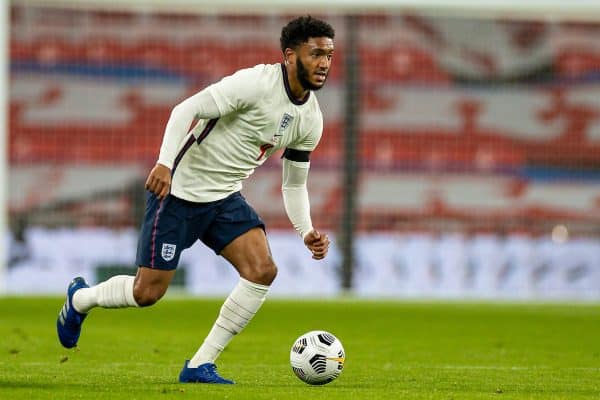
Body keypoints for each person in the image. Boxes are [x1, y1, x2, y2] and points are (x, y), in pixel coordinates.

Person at [56, 15, 335, 384]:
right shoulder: (254, 84)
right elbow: (185, 110)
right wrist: (164, 163)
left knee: (262, 270)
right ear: (289, 55)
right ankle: (80, 300)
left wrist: (307, 230)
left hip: (224, 199)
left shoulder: (311, 119)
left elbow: (294, 184)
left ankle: (200, 364)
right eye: (316, 53)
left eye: (329, 55)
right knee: (147, 292)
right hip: (179, 192)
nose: (324, 63)